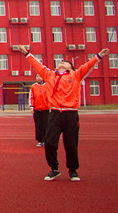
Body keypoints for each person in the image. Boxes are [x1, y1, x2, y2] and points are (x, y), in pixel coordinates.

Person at [19, 45, 108, 181]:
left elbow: (88, 65)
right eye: (60, 62)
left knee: (71, 144)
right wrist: (26, 53)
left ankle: (73, 170)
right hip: (54, 114)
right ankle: (54, 168)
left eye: (65, 63)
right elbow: (37, 65)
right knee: (49, 142)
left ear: (70, 68)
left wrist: (99, 56)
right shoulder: (49, 75)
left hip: (71, 114)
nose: (61, 63)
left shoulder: (76, 75)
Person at [28, 74, 50, 147]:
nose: (38, 78)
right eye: (37, 76)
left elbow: (50, 97)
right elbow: (31, 97)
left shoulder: (47, 86)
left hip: (46, 109)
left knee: (46, 125)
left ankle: (45, 140)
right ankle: (39, 140)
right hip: (37, 109)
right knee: (38, 125)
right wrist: (31, 106)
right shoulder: (33, 87)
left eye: (40, 76)